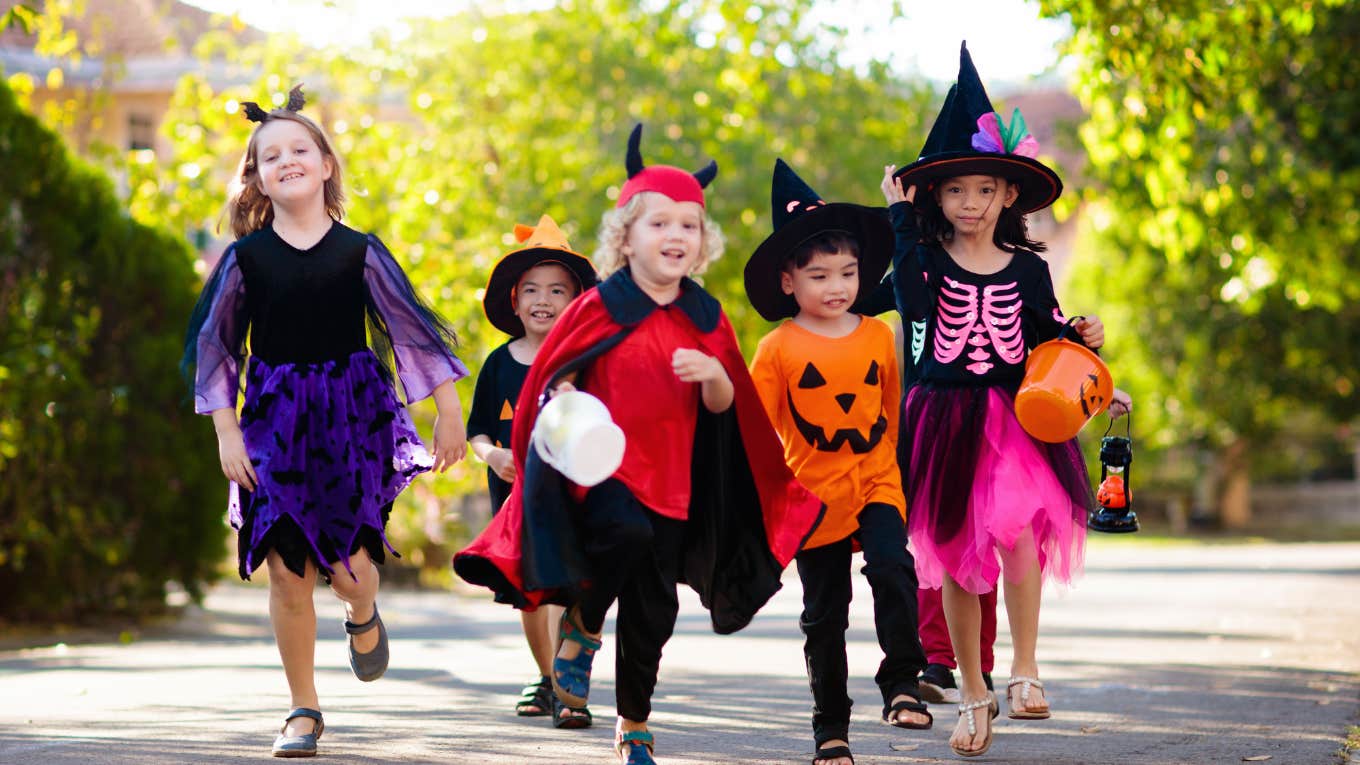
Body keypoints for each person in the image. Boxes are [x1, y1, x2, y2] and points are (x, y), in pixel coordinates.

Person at [454, 124, 823, 765]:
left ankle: (634, 723)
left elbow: (727, 414)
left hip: (678, 485)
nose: (675, 235)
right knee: (622, 535)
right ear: (625, 237)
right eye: (659, 224)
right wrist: (563, 390)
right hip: (604, 476)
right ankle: (585, 623)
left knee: (654, 611)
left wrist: (715, 380)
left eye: (689, 225)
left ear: (702, 242)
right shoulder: (598, 306)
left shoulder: (705, 317)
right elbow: (555, 377)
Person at [181, 86, 467, 758]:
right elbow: (216, 348)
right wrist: (225, 431)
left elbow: (412, 334)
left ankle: (362, 609)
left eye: (299, 148)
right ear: (256, 177)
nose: (287, 160)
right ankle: (302, 708)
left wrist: (448, 410)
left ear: (326, 164)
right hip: (273, 422)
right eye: (269, 154)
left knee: (349, 571)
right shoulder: (244, 260)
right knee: (287, 569)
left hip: (353, 418)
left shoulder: (359, 251)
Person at [880, 44, 1130, 757]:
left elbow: (1047, 342)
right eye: (954, 191)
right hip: (944, 418)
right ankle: (971, 686)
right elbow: (910, 298)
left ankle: (1025, 666)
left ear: (1007, 195)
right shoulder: (924, 260)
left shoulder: (1027, 268)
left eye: (983, 190)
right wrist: (901, 221)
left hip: (1012, 419)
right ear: (936, 198)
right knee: (958, 560)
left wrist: (1091, 353)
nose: (968, 203)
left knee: (1019, 536)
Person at [744, 160, 931, 765]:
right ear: (789, 282)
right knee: (824, 617)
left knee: (893, 566)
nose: (837, 286)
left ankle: (902, 678)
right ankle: (831, 731)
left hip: (876, 479)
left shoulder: (878, 334)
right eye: (820, 275)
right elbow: (754, 433)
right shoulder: (777, 349)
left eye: (848, 273)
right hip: (812, 497)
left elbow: (890, 412)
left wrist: (899, 477)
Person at [465, 214, 597, 728]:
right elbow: (478, 431)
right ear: (515, 300)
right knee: (528, 592)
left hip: (571, 495)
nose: (543, 300)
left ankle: (568, 687)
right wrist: (493, 456)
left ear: (576, 301)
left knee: (567, 587)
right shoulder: (500, 364)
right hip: (514, 497)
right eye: (532, 290)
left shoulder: (585, 361)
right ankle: (545, 674)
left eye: (557, 290)